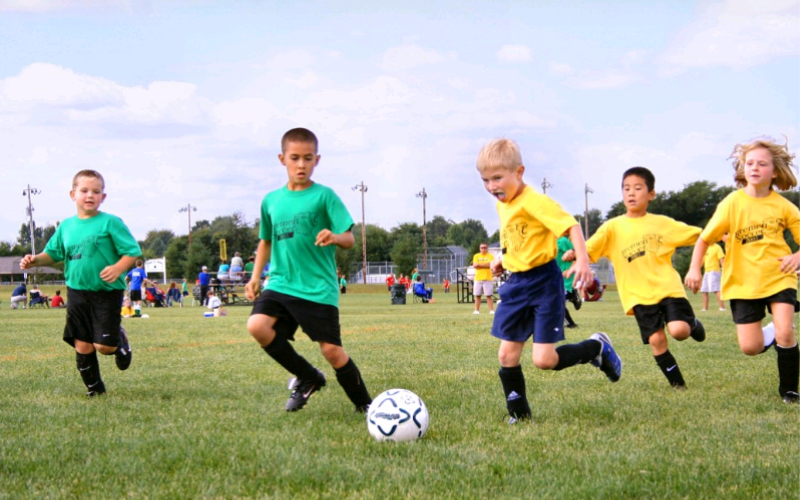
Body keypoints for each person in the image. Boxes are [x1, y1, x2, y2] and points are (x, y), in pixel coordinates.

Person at [476, 138, 622, 423]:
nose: (492, 186)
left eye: (497, 178)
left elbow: (571, 226)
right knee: (507, 355)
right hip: (516, 285)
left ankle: (597, 348)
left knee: (544, 360)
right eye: (485, 180)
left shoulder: (534, 201)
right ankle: (519, 416)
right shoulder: (502, 205)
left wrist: (582, 260)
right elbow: (518, 241)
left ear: (519, 172)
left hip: (544, 284)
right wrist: (501, 260)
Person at [244, 127, 372, 413]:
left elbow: (350, 239)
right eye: (295, 158)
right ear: (282, 159)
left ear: (317, 160)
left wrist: (335, 237)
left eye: (308, 158)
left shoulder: (325, 196)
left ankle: (365, 405)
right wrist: (255, 277)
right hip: (280, 282)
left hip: (317, 287)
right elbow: (266, 242)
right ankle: (307, 376)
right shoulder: (271, 200)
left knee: (331, 351)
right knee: (257, 326)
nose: (301, 164)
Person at [685, 138, 800, 404]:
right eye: (749, 163)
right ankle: (771, 331)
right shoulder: (732, 203)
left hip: (779, 276)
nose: (754, 168)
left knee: (787, 331)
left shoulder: (783, 206)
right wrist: (694, 269)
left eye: (762, 163)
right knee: (751, 347)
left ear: (774, 171)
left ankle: (790, 391)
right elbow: (704, 238)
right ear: (742, 168)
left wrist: (797, 256)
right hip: (742, 283)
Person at [20, 169, 139, 397]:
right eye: (84, 190)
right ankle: (95, 390)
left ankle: (119, 338)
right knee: (82, 345)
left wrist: (118, 268)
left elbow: (131, 252)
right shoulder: (66, 226)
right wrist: (34, 260)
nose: (89, 195)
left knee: (105, 347)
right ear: (73, 194)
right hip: (77, 292)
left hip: (106, 292)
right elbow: (53, 253)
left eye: (96, 191)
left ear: (103, 197)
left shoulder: (110, 223)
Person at [585, 166, 705, 390]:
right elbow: (589, 249)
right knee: (656, 340)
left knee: (679, 331)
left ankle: (692, 323)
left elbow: (700, 235)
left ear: (651, 194)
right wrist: (575, 254)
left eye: (638, 188)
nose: (631, 193)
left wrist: (724, 234)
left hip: (668, 288)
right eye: (626, 188)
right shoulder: (612, 227)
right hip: (638, 295)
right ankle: (678, 385)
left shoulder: (662, 224)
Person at [556, 235, 581, 328]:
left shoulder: (562, 241)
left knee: (557, 301)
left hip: (566, 276)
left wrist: (570, 269)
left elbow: (577, 256)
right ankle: (572, 296)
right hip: (555, 277)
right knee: (555, 301)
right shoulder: (547, 243)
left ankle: (571, 324)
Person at [700, 237, 727, 312]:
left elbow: (721, 259)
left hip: (714, 271)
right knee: (703, 290)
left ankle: (722, 308)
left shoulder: (717, 247)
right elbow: (702, 261)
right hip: (706, 272)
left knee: (716, 289)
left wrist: (724, 270)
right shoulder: (706, 248)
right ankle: (705, 308)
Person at [472, 243, 494, 315]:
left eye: (485, 248)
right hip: (478, 278)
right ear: (479, 248)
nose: (483, 249)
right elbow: (475, 265)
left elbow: (490, 265)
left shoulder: (490, 256)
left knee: (488, 295)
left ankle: (491, 310)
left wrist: (480, 265)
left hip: (487, 278)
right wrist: (485, 264)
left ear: (487, 248)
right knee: (477, 295)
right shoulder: (476, 256)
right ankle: (476, 310)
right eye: (482, 248)